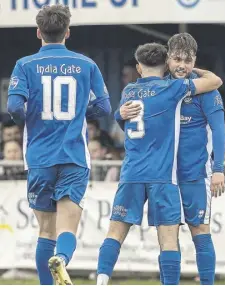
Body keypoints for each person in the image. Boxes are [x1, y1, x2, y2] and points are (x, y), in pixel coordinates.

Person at [96, 42, 222, 285]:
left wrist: (118, 114)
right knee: (167, 239)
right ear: (166, 65)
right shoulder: (173, 88)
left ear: (138, 68)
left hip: (131, 173)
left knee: (115, 233)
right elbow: (215, 82)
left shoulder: (128, 92)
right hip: (162, 176)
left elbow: (121, 119)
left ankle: (101, 280)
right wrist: (196, 70)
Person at [6, 4, 111, 285]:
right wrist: (79, 114)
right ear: (68, 32)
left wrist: (30, 119)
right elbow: (103, 106)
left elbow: (14, 105)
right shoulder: (86, 64)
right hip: (74, 155)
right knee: (68, 227)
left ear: (38, 32)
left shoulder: (24, 65)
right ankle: (62, 260)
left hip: (39, 157)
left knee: (46, 232)